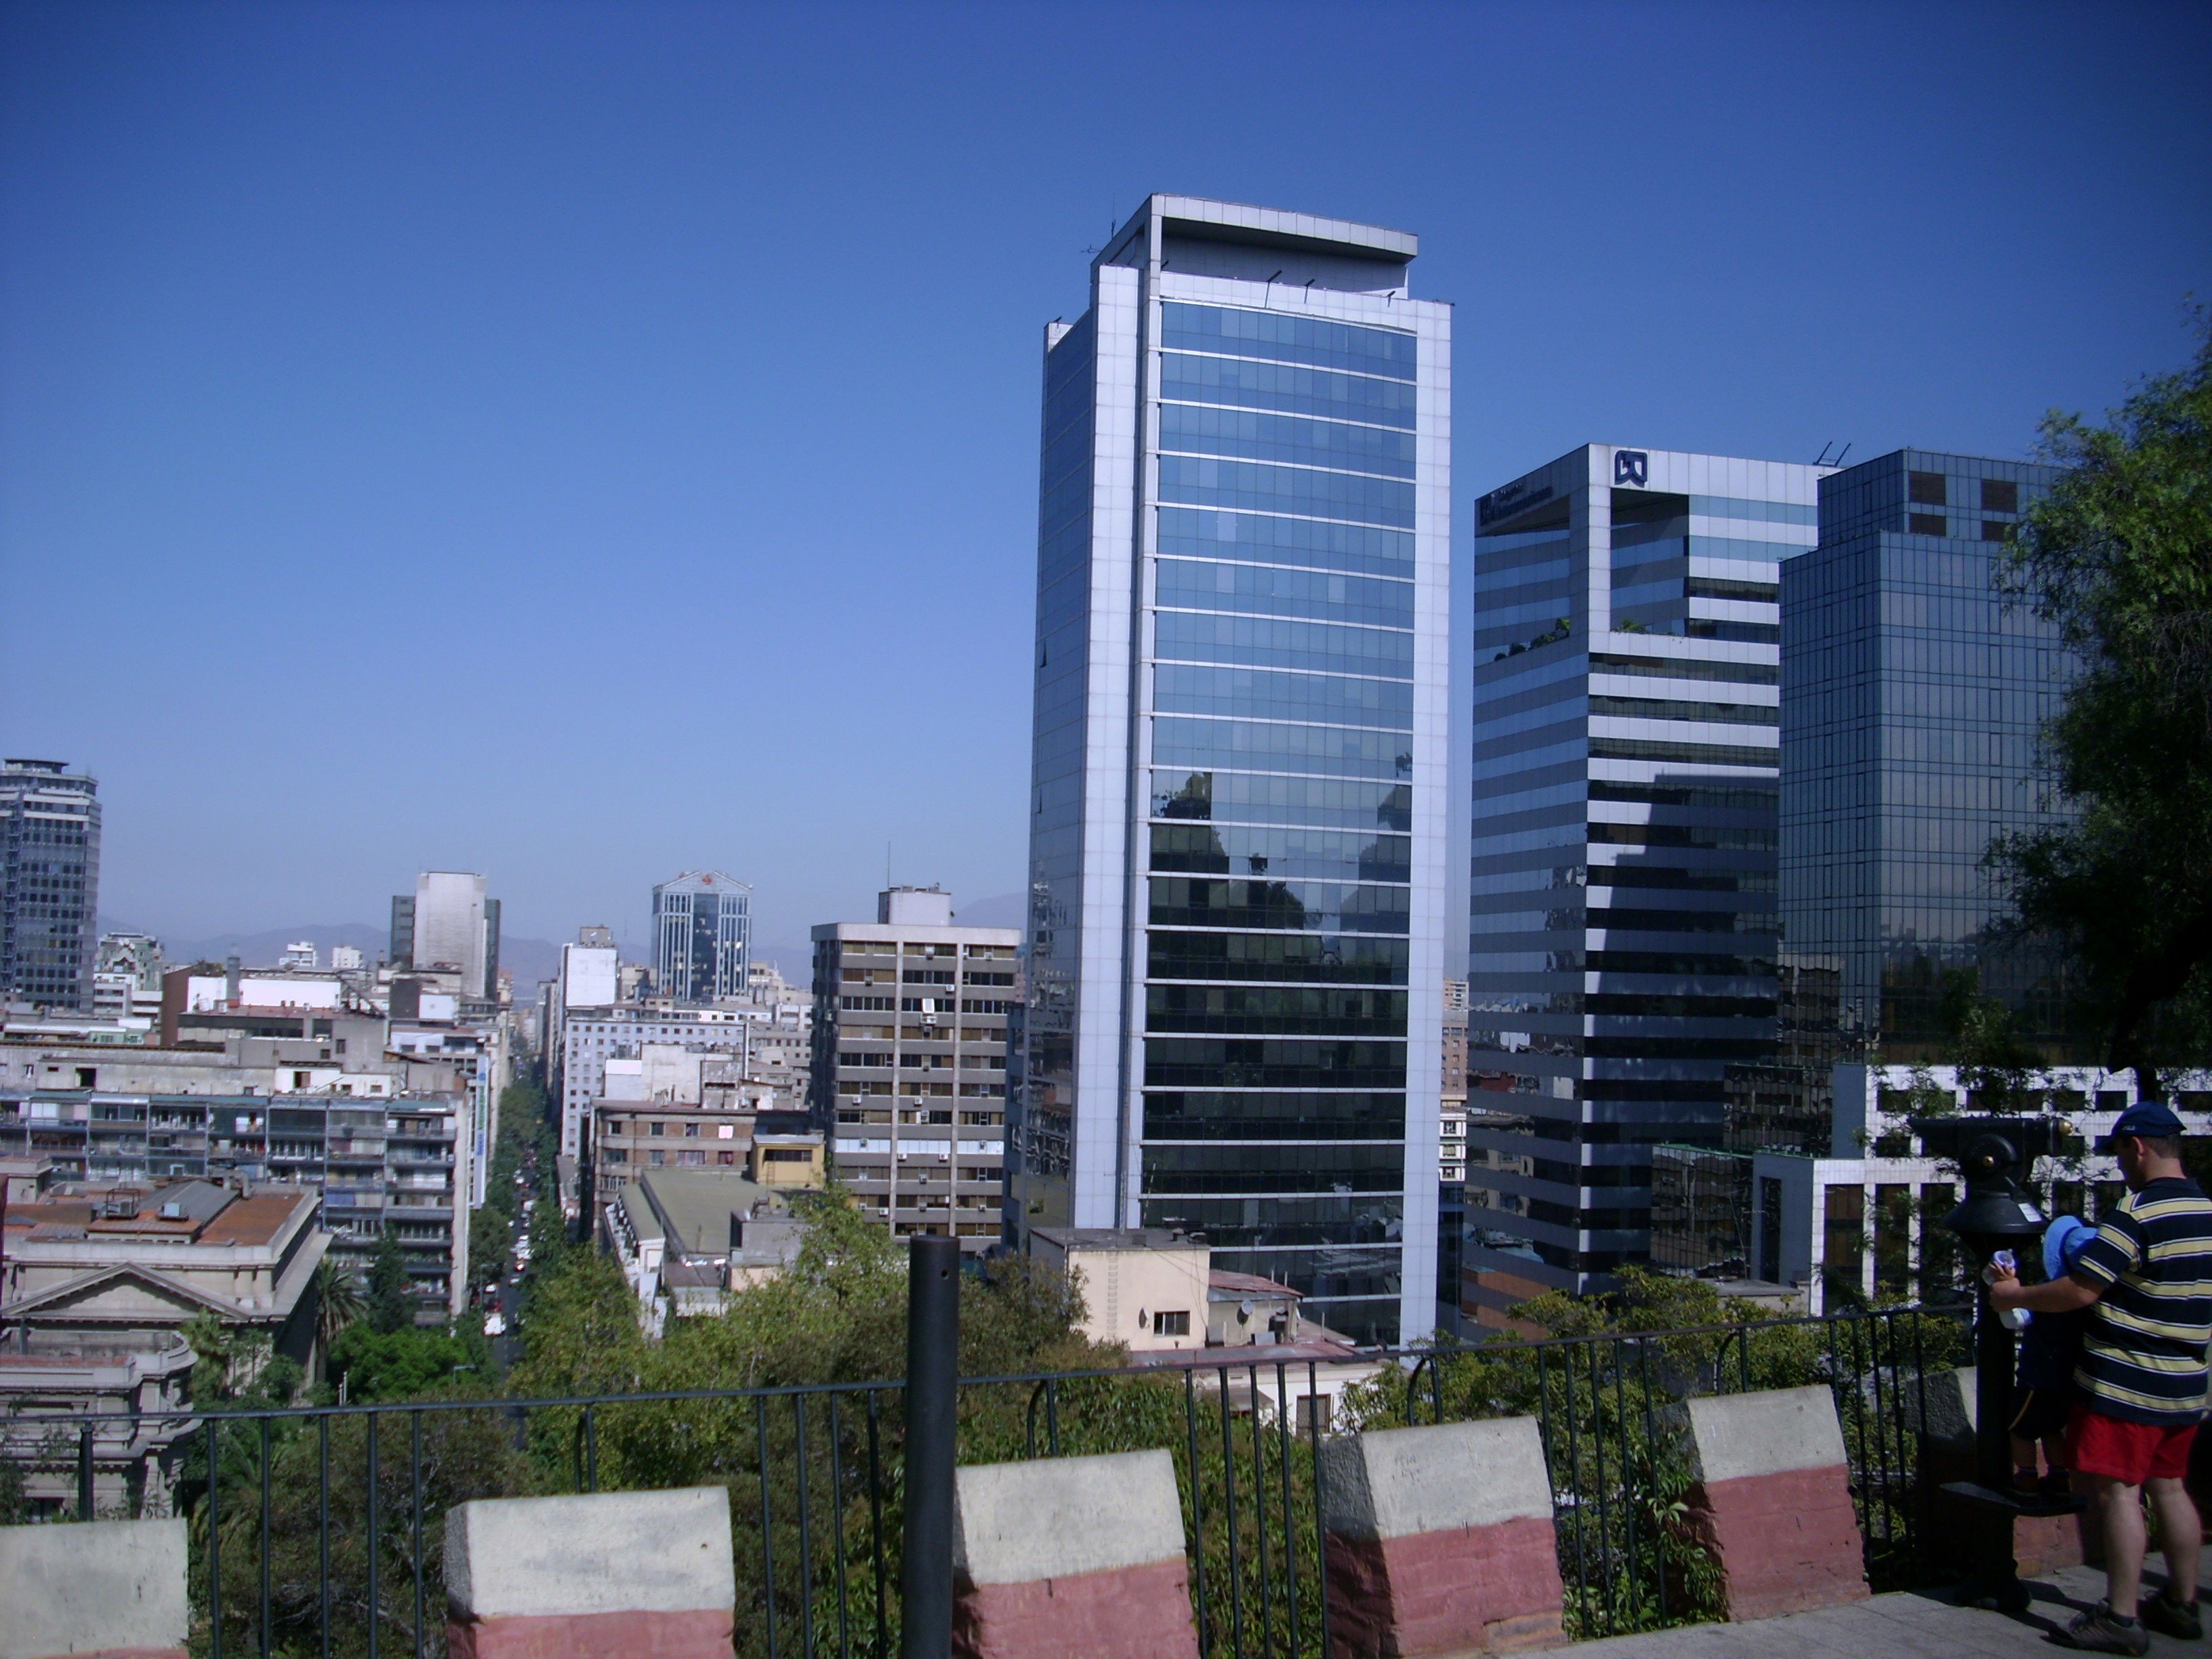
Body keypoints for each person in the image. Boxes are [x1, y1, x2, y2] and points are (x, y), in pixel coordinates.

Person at [1991, 1100, 2211, 1653]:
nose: (2120, 1166)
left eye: (2119, 1153)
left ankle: (2120, 1616)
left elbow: (2081, 1288)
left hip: (2128, 1384)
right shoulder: (2206, 1207)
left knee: (2119, 1495)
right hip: (2186, 1383)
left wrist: (2015, 1296)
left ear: (2136, 1147)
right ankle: (2182, 1604)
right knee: (2172, 1489)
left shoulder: (2136, 1213)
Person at [2010, 1214, 2097, 1496]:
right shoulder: (2091, 1298)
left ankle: (2026, 1477)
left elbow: (2017, 1317)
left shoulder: (2049, 1294)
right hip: (2071, 1378)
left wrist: (2007, 1291)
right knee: (2052, 1428)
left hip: (2039, 1377)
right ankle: (2060, 1476)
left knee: (2019, 1428)